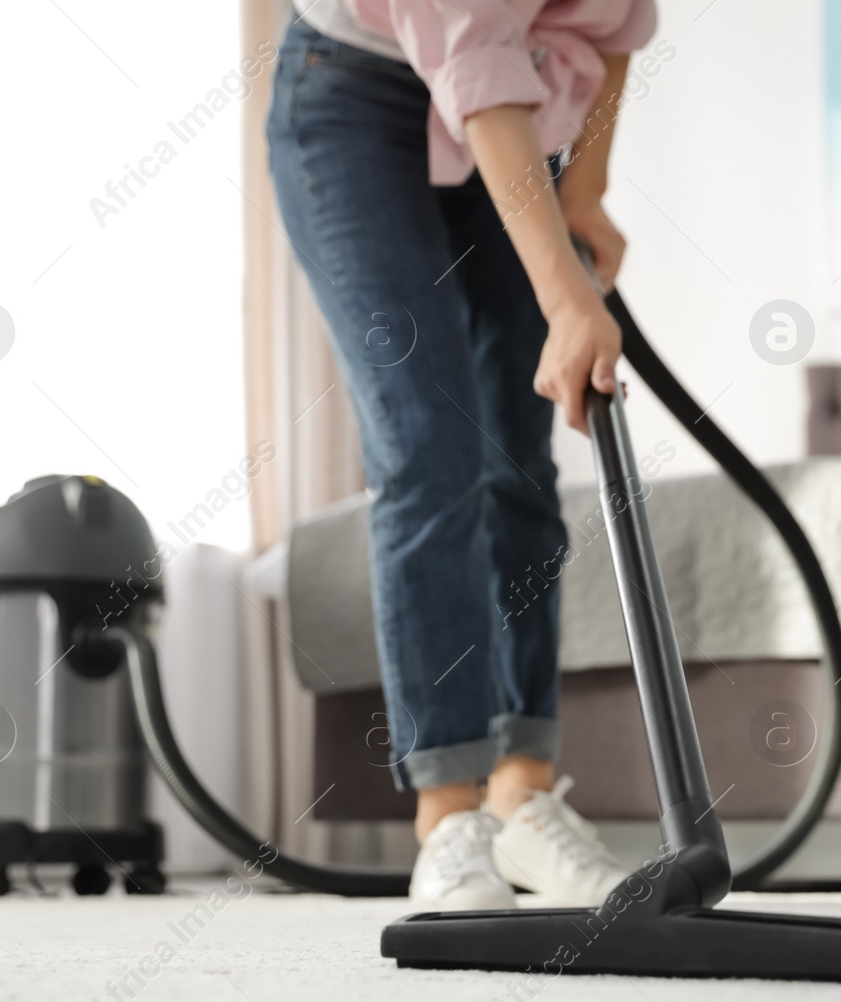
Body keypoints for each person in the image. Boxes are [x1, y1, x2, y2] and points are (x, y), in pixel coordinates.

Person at [267, 0, 656, 910]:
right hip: (354, 99)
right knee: (429, 443)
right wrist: (568, 302)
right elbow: (477, 79)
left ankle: (522, 799)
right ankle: (451, 825)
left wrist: (584, 195)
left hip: (510, 99)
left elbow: (615, 33)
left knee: (518, 454)